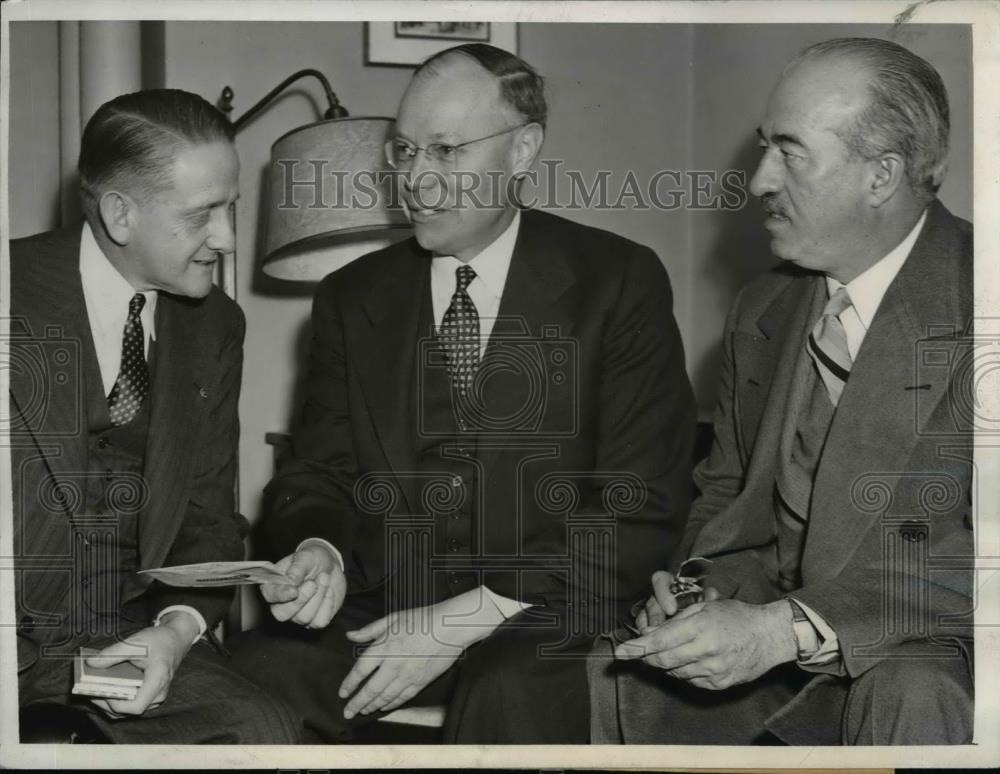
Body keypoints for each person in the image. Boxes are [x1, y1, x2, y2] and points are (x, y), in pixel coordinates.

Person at [228, 43, 695, 743]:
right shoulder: (350, 297)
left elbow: (639, 505)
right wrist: (318, 547)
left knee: (506, 690)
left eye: (446, 151)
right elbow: (317, 472)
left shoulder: (618, 281)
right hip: (385, 607)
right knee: (243, 679)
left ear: (522, 150)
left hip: (546, 613)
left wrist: (460, 621)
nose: (417, 181)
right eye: (405, 151)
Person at [589, 37, 974, 745]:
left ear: (881, 176)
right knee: (613, 671)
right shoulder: (764, 308)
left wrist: (785, 630)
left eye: (790, 153)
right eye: (765, 147)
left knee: (910, 689)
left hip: (932, 648)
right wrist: (695, 590)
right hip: (780, 645)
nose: (759, 179)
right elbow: (728, 495)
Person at [10, 89, 299, 744]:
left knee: (263, 733)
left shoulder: (217, 326)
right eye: (201, 216)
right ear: (121, 214)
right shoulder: (8, 286)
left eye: (230, 208)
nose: (227, 239)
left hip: (124, 636)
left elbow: (207, 521)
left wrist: (173, 632)